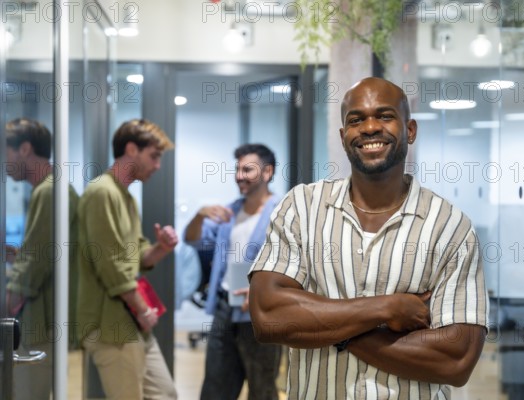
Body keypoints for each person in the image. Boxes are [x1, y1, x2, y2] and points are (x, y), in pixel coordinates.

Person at [248, 77, 489, 399]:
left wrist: (326, 327)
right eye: (356, 120)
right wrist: (387, 309)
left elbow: (455, 360)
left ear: (411, 130)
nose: (370, 127)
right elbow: (269, 318)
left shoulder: (450, 227)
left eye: (385, 116)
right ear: (343, 136)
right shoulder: (302, 207)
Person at [77, 119, 178, 399]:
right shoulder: (102, 192)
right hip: (109, 323)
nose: (158, 165)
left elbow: (137, 256)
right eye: (154, 156)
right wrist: (143, 309)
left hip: (130, 320)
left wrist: (162, 247)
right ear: (131, 149)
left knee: (165, 393)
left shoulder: (126, 198)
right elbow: (110, 263)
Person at [184, 144, 282, 400]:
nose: (239, 175)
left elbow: (295, 262)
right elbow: (192, 239)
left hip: (261, 313)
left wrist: (264, 291)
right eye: (237, 169)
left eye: (247, 169)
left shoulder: (282, 213)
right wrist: (198, 215)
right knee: (216, 386)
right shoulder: (230, 212)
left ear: (267, 172)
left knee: (261, 388)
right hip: (225, 309)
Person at [4, 118, 79, 400]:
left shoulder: (49, 191)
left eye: (5, 152)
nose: (4, 161)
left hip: (41, 322)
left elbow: (35, 265)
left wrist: (9, 299)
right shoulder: (50, 189)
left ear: (24, 149)